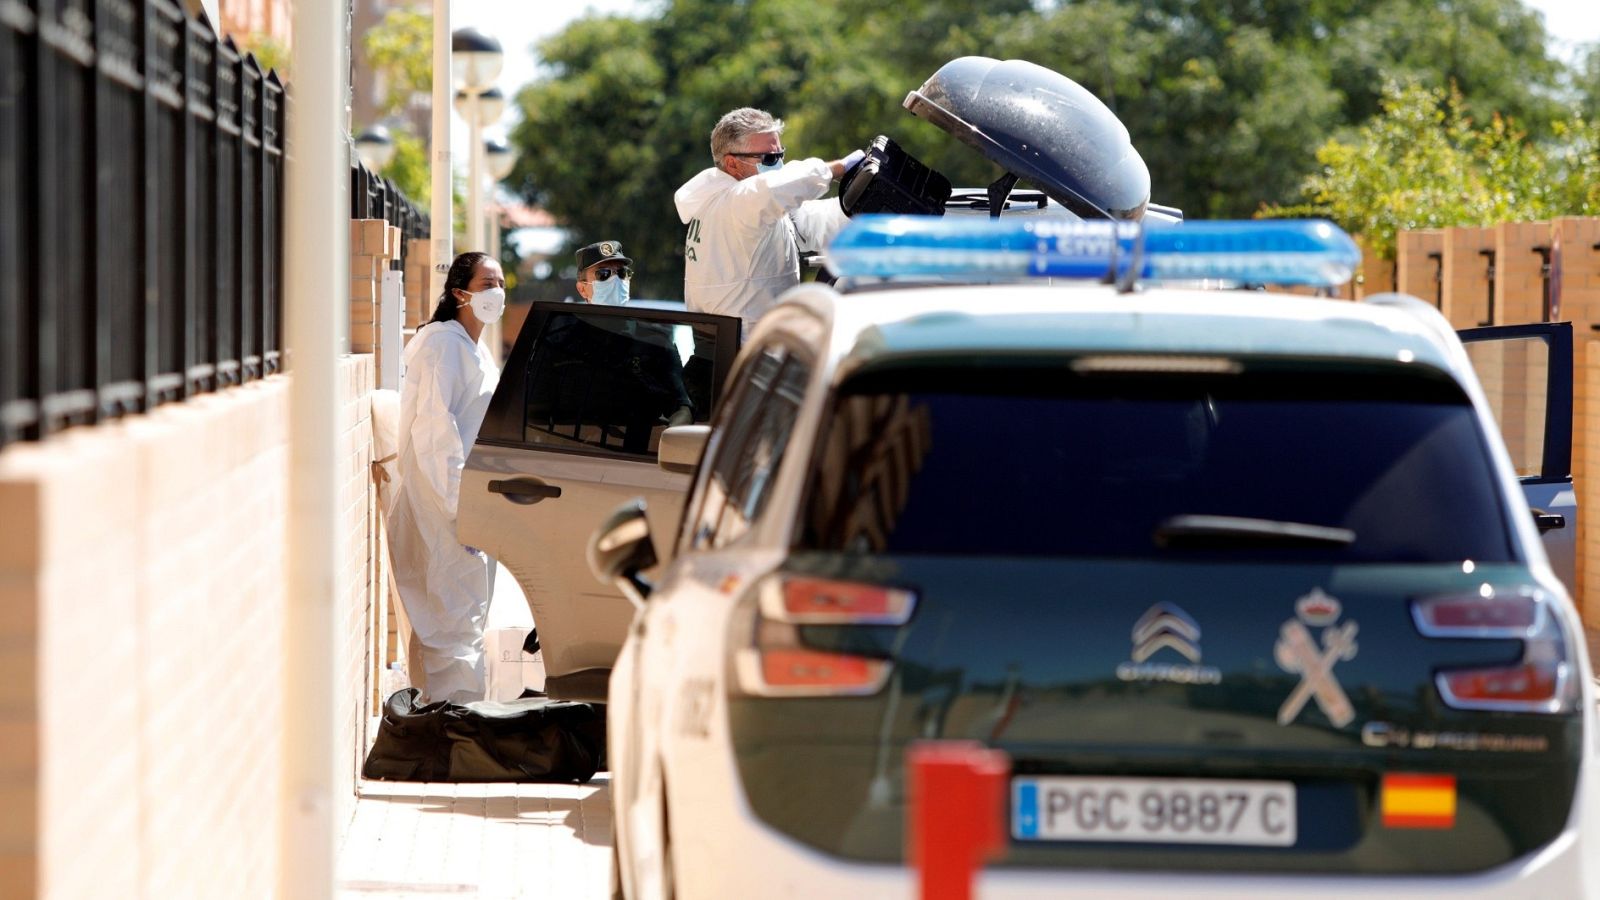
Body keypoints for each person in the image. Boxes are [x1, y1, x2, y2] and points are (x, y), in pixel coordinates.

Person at [387, 251, 505, 704]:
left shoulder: (472, 347)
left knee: (461, 620)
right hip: (445, 507)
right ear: (460, 293)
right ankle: (453, 727)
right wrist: (462, 509)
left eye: (500, 284)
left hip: (467, 503)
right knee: (454, 623)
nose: (497, 293)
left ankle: (456, 719)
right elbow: (437, 434)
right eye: (487, 284)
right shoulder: (443, 346)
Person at [675, 107, 863, 329]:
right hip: (741, 355)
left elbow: (808, 223)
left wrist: (861, 208)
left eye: (780, 155)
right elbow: (776, 188)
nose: (779, 166)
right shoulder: (735, 203)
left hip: (749, 351)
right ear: (732, 163)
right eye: (770, 158)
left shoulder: (744, 207)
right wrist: (841, 167)